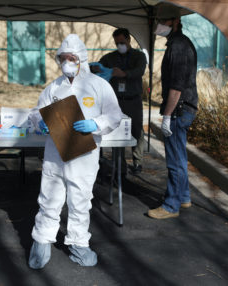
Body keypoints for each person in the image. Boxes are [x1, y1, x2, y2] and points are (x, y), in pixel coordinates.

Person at [28, 34, 123, 269]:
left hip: (84, 156)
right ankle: (41, 242)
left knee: (80, 201)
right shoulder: (54, 87)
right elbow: (35, 112)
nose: (67, 62)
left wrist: (96, 124)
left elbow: (114, 115)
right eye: (63, 58)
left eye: (71, 58)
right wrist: (38, 121)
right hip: (55, 153)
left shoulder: (99, 85)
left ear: (81, 59)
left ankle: (78, 244)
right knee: (49, 199)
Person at [148, 6, 198, 219]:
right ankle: (184, 197)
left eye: (163, 21)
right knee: (180, 154)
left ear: (175, 21)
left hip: (179, 109)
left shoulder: (178, 46)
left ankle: (171, 206)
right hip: (184, 108)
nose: (159, 25)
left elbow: (176, 87)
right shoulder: (180, 43)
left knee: (174, 159)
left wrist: (167, 115)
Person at [99, 28, 147, 176]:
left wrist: (125, 73)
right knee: (117, 131)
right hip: (116, 101)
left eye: (122, 42)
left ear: (129, 40)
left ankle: (137, 162)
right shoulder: (110, 58)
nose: (120, 45)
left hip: (133, 100)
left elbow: (140, 70)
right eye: (117, 43)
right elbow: (98, 67)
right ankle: (119, 164)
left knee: (136, 129)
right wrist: (97, 68)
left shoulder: (139, 56)